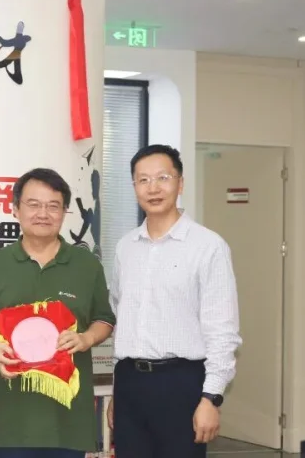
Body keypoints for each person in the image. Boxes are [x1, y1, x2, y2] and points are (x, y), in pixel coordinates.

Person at [0, 168, 116, 458]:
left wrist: (86, 339)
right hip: (12, 415)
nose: (43, 214)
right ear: (15, 209)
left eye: (53, 206)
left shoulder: (87, 265)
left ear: (64, 212)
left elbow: (104, 319)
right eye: (33, 204)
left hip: (69, 416)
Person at [107, 144, 241, 458]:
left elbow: (222, 331)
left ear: (180, 183)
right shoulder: (125, 247)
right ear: (134, 187)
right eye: (143, 180)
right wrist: (117, 390)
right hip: (129, 383)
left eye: (163, 178)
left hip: (181, 384)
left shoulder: (208, 246)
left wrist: (211, 398)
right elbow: (121, 320)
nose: (153, 188)